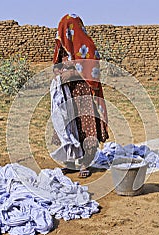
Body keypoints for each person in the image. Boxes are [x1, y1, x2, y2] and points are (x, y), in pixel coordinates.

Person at [51, 14, 108, 178]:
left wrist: (73, 73)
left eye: (65, 28)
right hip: (67, 93)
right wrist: (59, 74)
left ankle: (85, 163)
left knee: (85, 125)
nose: (61, 32)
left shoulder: (86, 46)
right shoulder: (61, 45)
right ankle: (71, 162)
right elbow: (56, 64)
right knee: (68, 124)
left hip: (83, 92)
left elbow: (91, 65)